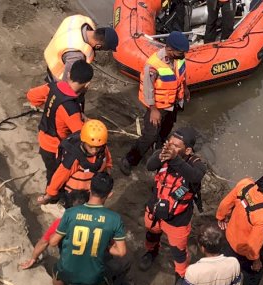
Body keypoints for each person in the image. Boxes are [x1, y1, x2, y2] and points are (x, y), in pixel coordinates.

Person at [120, 31, 190, 175]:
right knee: (149, 135)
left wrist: (186, 89)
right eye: (180, 52)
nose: (183, 55)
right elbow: (148, 88)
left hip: (173, 103)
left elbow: (181, 76)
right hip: (158, 106)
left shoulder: (179, 59)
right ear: (170, 50)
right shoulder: (153, 64)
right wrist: (153, 110)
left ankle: (158, 157)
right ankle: (130, 159)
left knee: (165, 132)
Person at [140, 127, 206, 279]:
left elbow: (195, 176)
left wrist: (175, 159)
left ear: (188, 150)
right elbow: (150, 166)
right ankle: (151, 252)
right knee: (151, 234)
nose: (171, 147)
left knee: (178, 250)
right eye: (170, 143)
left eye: (176, 146)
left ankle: (181, 274)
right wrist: (161, 156)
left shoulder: (197, 165)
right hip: (155, 209)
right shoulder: (164, 155)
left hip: (178, 219)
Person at [49, 172, 126, 285]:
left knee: (56, 270)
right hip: (93, 279)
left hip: (67, 272)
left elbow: (53, 242)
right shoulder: (115, 219)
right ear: (110, 194)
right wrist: (105, 246)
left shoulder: (71, 213)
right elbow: (121, 252)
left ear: (89, 187)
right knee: (122, 266)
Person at [26, 60, 93, 187]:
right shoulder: (70, 109)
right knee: (55, 176)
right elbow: (81, 136)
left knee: (51, 171)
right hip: (54, 148)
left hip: (43, 137)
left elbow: (31, 95)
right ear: (87, 84)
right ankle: (51, 203)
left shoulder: (52, 87)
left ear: (68, 75)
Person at [37, 119, 112, 206]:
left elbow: (108, 161)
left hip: (91, 191)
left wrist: (107, 178)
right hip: (74, 195)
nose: (94, 151)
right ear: (84, 141)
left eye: (97, 147)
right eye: (90, 147)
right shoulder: (73, 157)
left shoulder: (103, 149)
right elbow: (60, 176)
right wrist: (48, 196)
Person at [20, 190, 90, 270]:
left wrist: (33, 259)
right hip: (93, 264)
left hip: (71, 264)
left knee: (57, 280)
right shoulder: (103, 221)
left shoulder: (62, 222)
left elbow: (44, 242)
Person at [43, 14, 118, 83]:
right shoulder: (76, 55)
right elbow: (66, 84)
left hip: (53, 50)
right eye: (101, 49)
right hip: (56, 72)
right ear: (98, 46)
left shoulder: (79, 20)